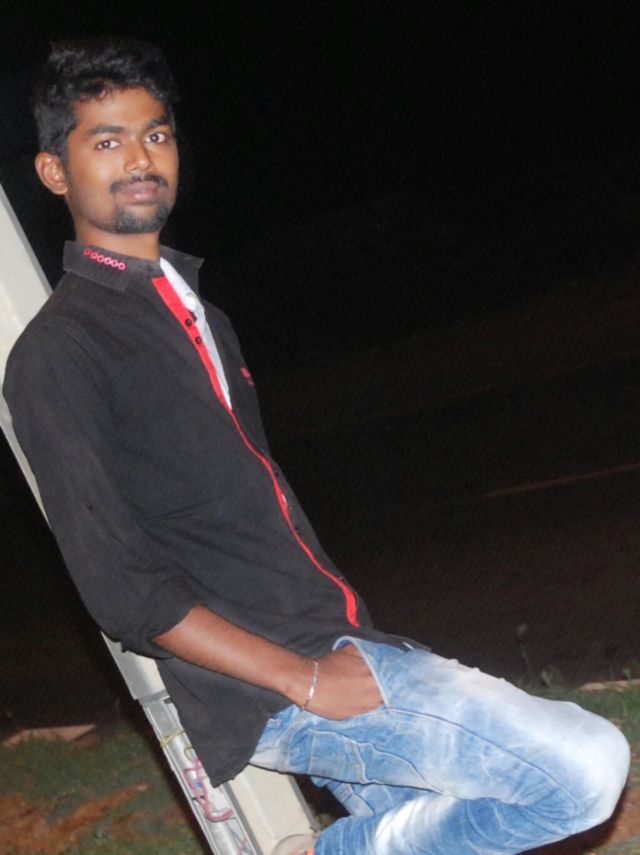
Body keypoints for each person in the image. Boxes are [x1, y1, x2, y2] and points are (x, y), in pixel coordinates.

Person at [3, 38, 630, 855]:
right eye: (107, 140)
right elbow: (124, 589)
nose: (140, 159)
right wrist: (301, 678)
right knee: (583, 768)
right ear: (55, 171)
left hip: (338, 640)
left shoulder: (196, 314)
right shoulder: (60, 352)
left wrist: (340, 649)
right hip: (275, 684)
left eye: (155, 134)